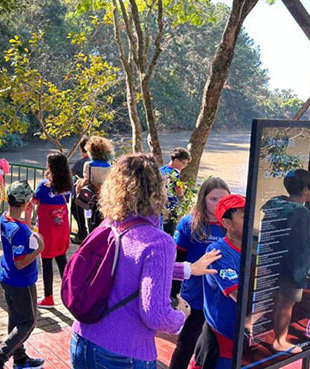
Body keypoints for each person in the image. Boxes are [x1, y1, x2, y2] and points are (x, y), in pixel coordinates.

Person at [71, 153, 190, 369]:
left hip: (82, 338)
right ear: (158, 189)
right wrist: (181, 317)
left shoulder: (109, 225)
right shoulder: (158, 241)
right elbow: (156, 315)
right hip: (124, 353)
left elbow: (129, 268)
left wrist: (187, 270)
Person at [0, 180, 45, 369]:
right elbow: (20, 263)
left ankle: (20, 358)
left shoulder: (5, 219)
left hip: (7, 278)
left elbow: (20, 231)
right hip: (21, 282)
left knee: (16, 321)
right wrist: (39, 249)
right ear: (26, 202)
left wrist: (27, 216)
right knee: (28, 322)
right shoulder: (20, 231)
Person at [169, 178, 230, 369]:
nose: (219, 204)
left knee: (212, 348)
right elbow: (177, 259)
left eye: (224, 199)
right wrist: (174, 295)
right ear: (202, 199)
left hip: (222, 299)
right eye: (213, 199)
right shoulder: (189, 223)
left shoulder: (231, 224)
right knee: (186, 345)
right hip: (194, 297)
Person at [263, 169, 310, 353]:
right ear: (305, 190)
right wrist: (301, 273)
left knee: (276, 299)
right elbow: (300, 245)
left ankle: (249, 325)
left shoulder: (276, 205)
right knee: (287, 304)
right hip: (292, 268)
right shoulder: (301, 213)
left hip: (275, 263)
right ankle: (280, 340)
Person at [192, 194, 245, 369]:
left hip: (245, 337)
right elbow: (240, 295)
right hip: (222, 340)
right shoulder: (218, 251)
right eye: (245, 215)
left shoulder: (254, 248)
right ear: (227, 224)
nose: (252, 219)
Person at [34, 153, 73, 309]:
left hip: (46, 229)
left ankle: (48, 297)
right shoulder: (68, 187)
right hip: (62, 227)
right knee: (61, 258)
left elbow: (34, 201)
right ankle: (70, 293)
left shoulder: (44, 186)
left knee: (46, 260)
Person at [77, 136, 114, 232]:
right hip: (104, 198)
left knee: (91, 224)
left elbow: (86, 180)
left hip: (90, 198)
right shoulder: (110, 167)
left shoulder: (88, 165)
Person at [160, 147, 192, 236]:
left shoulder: (161, 169)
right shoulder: (175, 173)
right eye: (184, 163)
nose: (185, 166)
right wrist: (182, 197)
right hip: (171, 207)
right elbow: (178, 190)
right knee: (169, 232)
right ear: (176, 160)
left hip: (161, 206)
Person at [70, 137, 90, 244]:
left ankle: (82, 234)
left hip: (79, 194)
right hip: (91, 195)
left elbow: (71, 174)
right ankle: (84, 233)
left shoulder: (81, 163)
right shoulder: (93, 161)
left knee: (76, 212)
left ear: (81, 149)